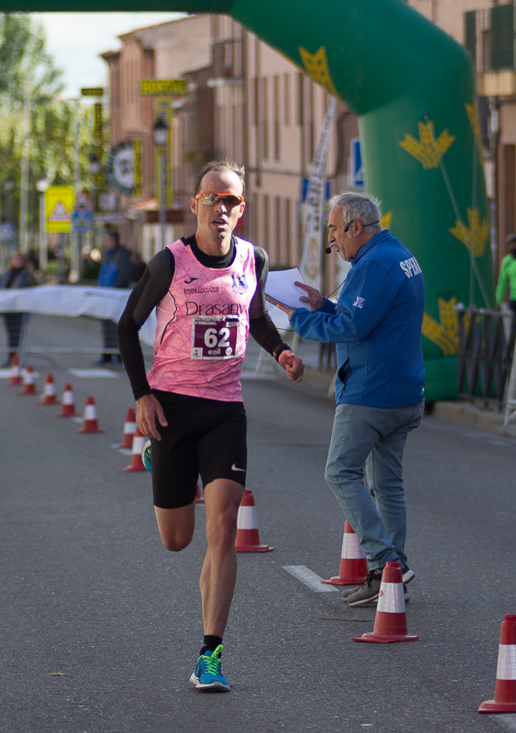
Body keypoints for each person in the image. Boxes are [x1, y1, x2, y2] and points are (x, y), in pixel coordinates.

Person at [116, 160, 304, 692]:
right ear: (195, 203)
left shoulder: (253, 259)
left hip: (225, 408)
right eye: (212, 199)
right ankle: (161, 457)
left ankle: (210, 655)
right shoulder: (168, 262)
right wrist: (142, 396)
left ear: (241, 210)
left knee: (223, 529)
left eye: (231, 202)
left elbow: (258, 319)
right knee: (178, 541)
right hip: (172, 407)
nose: (221, 209)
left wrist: (283, 351)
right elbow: (127, 329)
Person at [268, 191, 425, 607]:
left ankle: (385, 562)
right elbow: (371, 314)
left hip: (371, 391)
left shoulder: (372, 265)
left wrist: (296, 316)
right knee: (387, 484)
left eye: (335, 230)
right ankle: (395, 574)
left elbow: (352, 326)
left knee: (340, 472)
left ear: (357, 227)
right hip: (405, 390)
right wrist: (325, 304)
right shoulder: (398, 255)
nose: (332, 240)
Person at [95, 231, 131, 365]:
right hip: (104, 297)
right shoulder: (108, 256)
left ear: (115, 241)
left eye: (108, 240)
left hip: (113, 297)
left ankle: (117, 355)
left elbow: (123, 277)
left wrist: (114, 293)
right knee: (107, 327)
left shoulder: (121, 256)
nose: (106, 243)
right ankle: (108, 354)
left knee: (114, 327)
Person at [0, 252, 36, 365]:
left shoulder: (27, 276)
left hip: (19, 309)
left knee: (17, 334)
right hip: (7, 308)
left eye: (20, 260)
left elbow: (33, 290)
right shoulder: (7, 274)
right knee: (10, 334)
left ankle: (16, 358)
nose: (17, 262)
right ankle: (11, 358)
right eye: (16, 260)